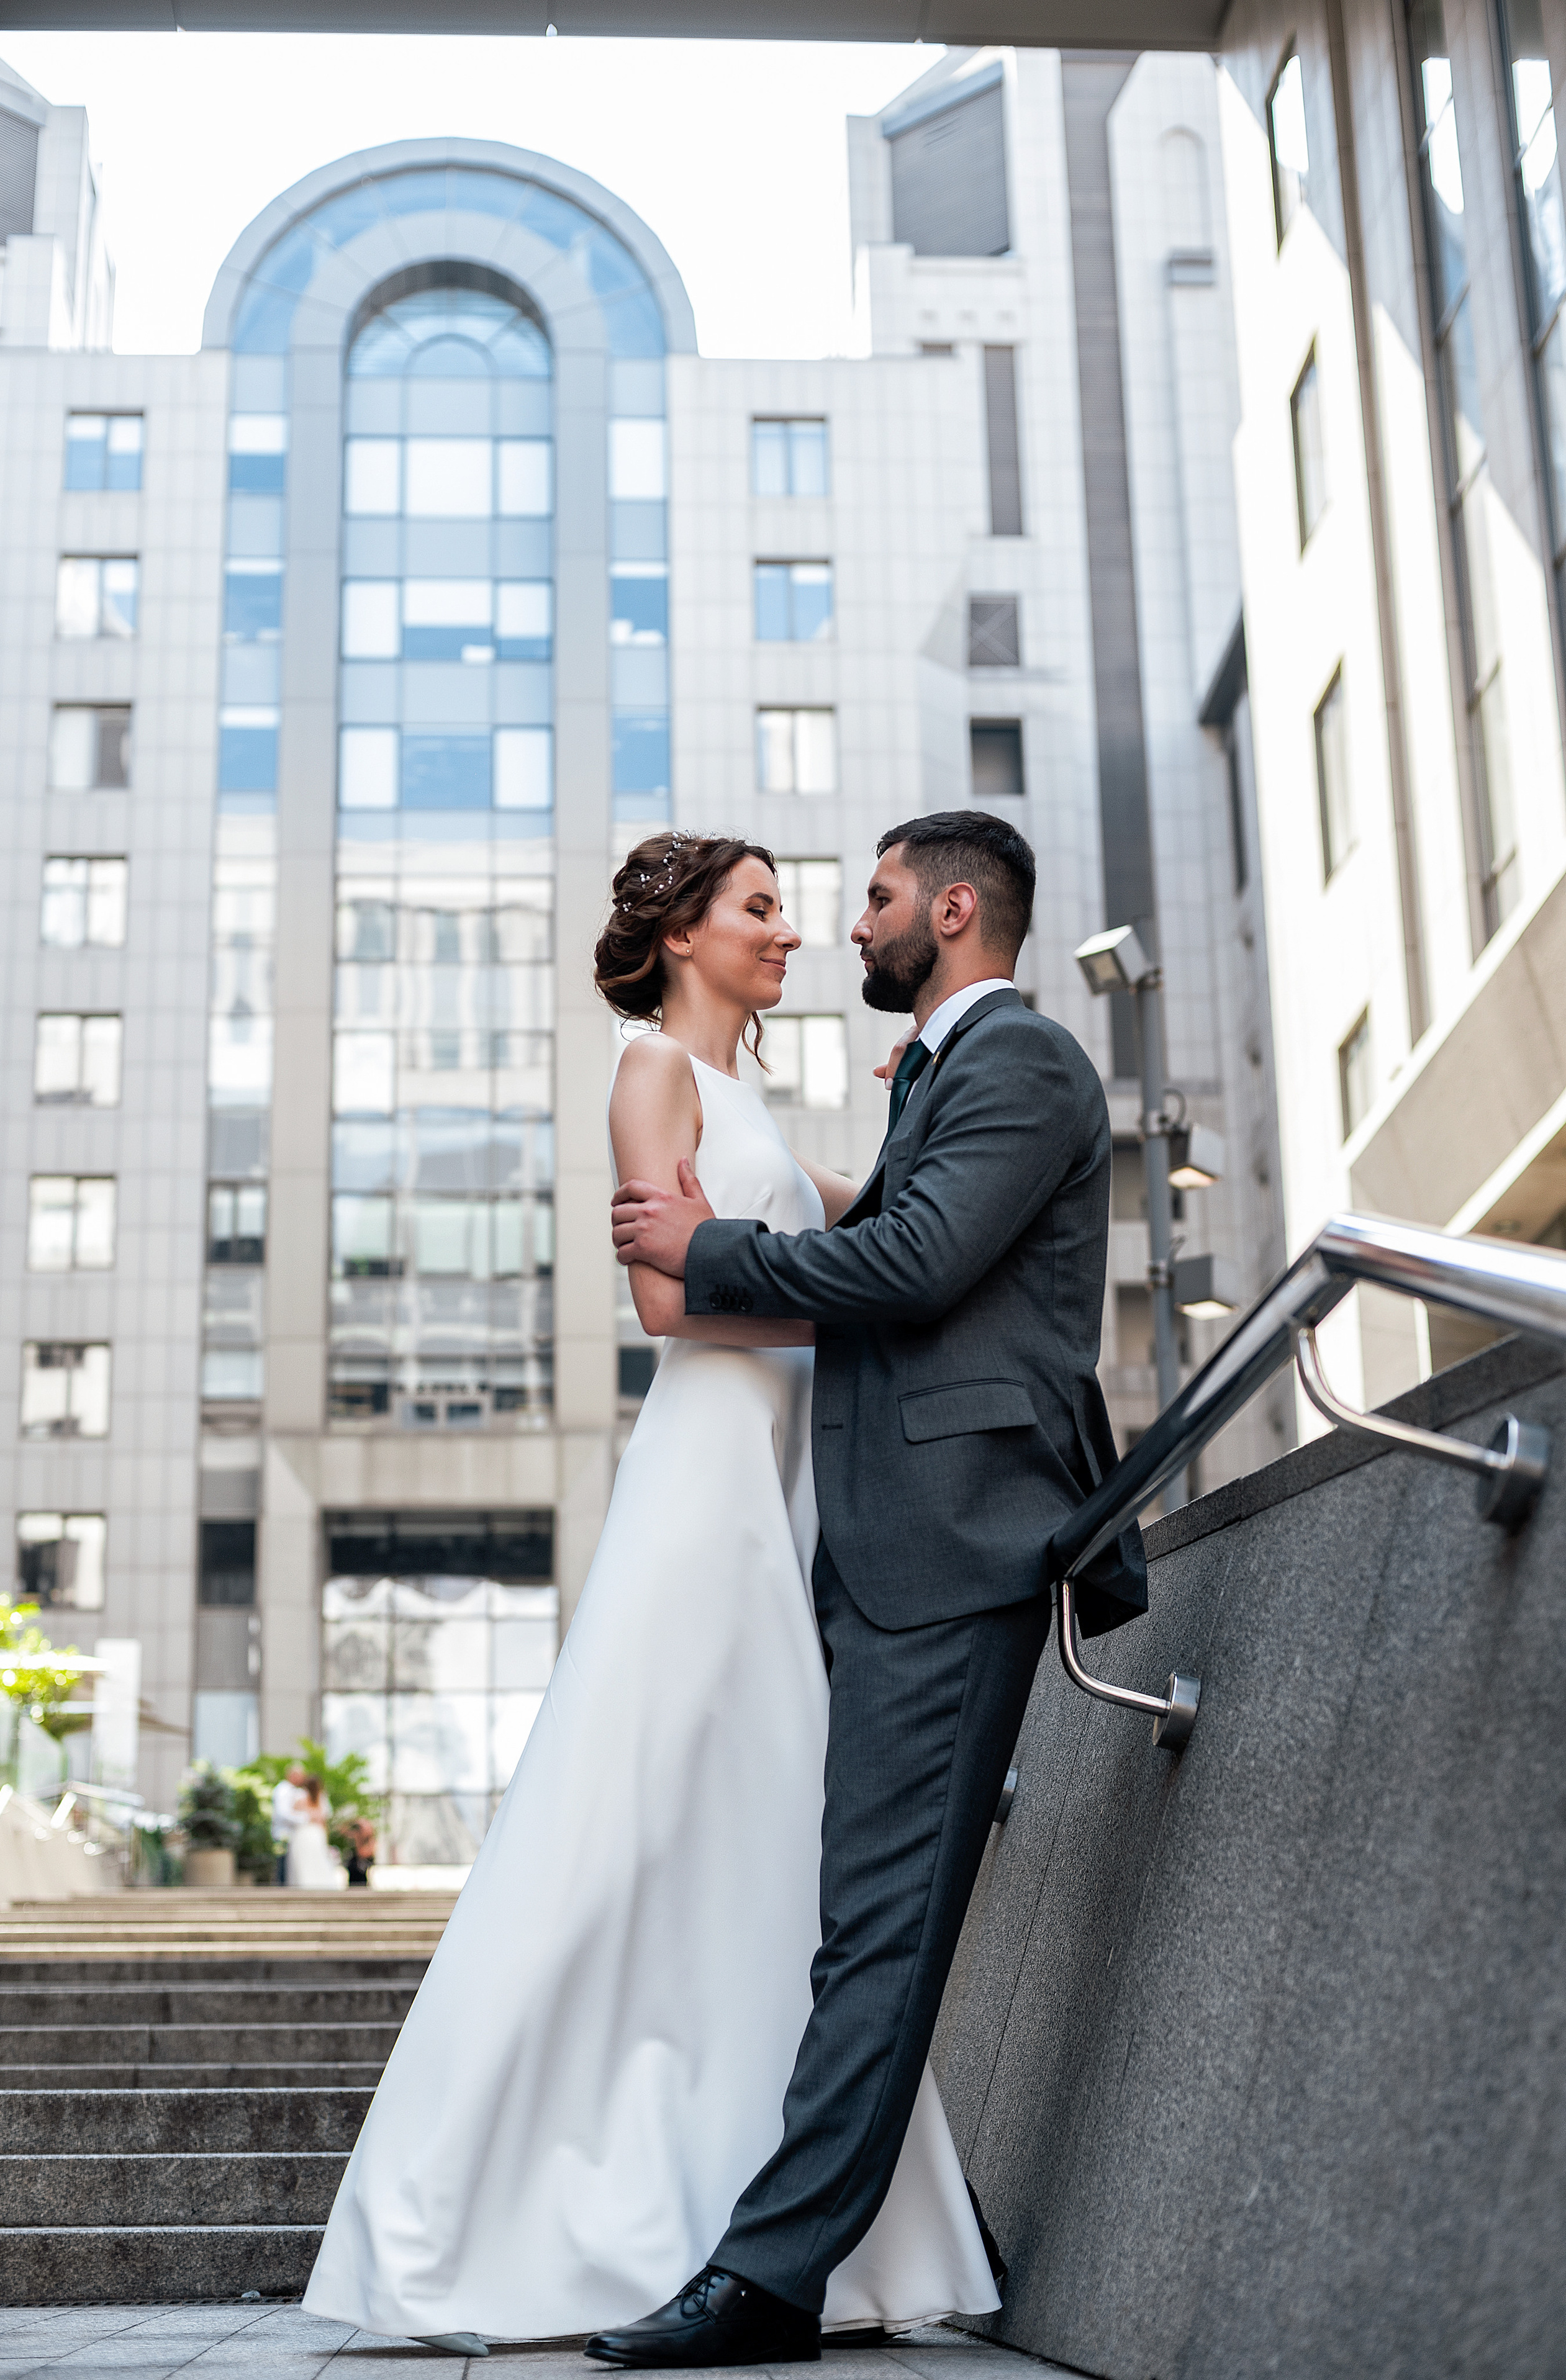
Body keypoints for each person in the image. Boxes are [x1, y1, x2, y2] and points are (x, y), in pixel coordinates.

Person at [302, 832, 1000, 2358]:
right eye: (757, 908)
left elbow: (881, 1236)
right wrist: (852, 1318)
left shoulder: (754, 1103)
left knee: (762, 1842)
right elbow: (673, 1301)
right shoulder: (649, 1074)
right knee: (617, 1824)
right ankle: (463, 2208)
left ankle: (762, 2221)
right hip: (703, 1489)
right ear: (681, 935)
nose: (789, 933)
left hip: (783, 1487)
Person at [599, 809, 1146, 2368]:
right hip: (872, 1535)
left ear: (955, 909)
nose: (849, 925)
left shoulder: (1020, 1062)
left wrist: (713, 1248)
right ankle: (880, 2215)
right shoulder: (940, 1072)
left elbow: (913, 1265)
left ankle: (771, 2273)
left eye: (879, 899)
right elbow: (894, 1222)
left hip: (948, 1537)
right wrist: (780, 1207)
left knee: (880, 1920)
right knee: (855, 1909)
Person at [286, 1773, 345, 1890]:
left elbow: (291, 1818)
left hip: (304, 1834)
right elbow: (324, 1823)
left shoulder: (300, 1800)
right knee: (317, 1861)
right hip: (316, 1834)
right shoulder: (321, 1801)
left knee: (305, 1863)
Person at [269, 1762, 306, 1887]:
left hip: (295, 1834)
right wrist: (303, 1819)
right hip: (284, 1833)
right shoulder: (283, 1789)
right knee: (283, 1864)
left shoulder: (298, 1791)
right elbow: (282, 1813)